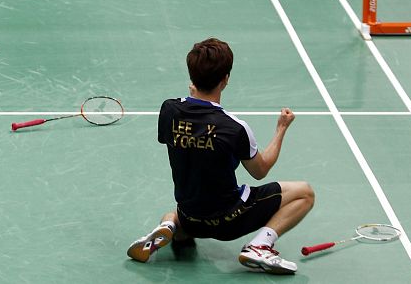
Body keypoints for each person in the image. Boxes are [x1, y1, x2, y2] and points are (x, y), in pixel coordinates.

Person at [126, 38, 314, 275]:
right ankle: (259, 245)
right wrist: (281, 129)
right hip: (231, 219)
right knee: (304, 193)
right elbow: (261, 170)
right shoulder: (234, 127)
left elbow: (183, 134)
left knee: (173, 214)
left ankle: (168, 226)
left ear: (191, 77)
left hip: (192, 216)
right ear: (225, 79)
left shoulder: (169, 110)